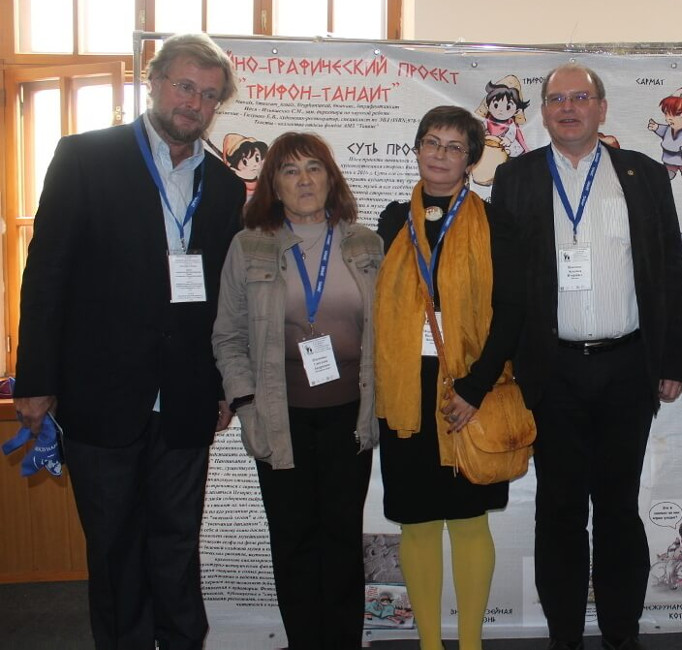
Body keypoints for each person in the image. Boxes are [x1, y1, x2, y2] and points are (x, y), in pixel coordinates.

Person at [12, 33, 245, 649]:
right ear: (154, 80)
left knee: (176, 543)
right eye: (185, 86)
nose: (194, 103)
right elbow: (47, 273)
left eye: (209, 96)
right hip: (101, 393)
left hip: (187, 400)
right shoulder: (86, 157)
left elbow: (224, 300)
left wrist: (224, 385)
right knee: (115, 548)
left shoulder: (223, 188)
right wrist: (35, 379)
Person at [491, 63, 682, 650]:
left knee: (617, 507)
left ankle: (621, 632)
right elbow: (506, 285)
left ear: (603, 108)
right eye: (557, 99)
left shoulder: (645, 175)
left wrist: (673, 360)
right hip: (550, 370)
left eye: (581, 97)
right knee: (557, 508)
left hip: (626, 367)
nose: (568, 107)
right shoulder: (517, 178)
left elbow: (667, 268)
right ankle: (563, 635)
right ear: (544, 111)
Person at [213, 131, 381, 649]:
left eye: (314, 168)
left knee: (341, 542)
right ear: (273, 184)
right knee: (293, 543)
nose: (304, 180)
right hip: (278, 418)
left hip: (349, 416)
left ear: (331, 178)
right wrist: (244, 406)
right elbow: (228, 335)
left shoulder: (365, 242)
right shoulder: (249, 246)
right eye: (290, 170)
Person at [374, 105, 524, 650]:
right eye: (431, 142)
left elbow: (511, 313)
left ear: (471, 159)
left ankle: (470, 643)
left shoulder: (496, 224)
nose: (440, 155)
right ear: (416, 149)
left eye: (454, 146)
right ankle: (430, 644)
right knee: (415, 520)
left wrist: (475, 387)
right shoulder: (393, 220)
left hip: (470, 385)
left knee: (466, 517)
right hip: (406, 388)